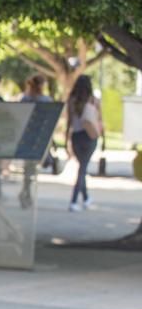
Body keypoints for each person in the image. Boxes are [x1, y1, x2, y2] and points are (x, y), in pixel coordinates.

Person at [66, 74, 103, 212]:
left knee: (82, 167)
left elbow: (69, 122)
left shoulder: (71, 100)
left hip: (76, 136)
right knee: (82, 169)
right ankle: (74, 200)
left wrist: (66, 140)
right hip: (89, 137)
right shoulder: (94, 101)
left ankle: (86, 198)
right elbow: (99, 121)